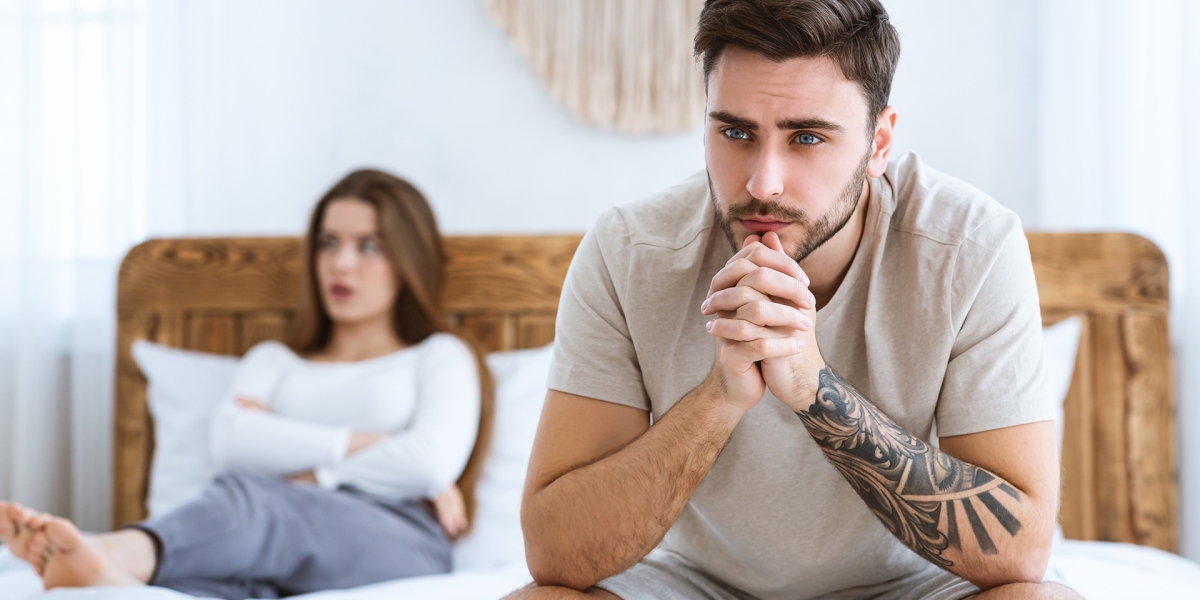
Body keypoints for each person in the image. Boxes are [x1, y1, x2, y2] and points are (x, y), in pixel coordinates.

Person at [513, 1, 1081, 599]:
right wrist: (719, 398)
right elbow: (554, 554)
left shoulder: (969, 248)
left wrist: (814, 388)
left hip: (914, 587)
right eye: (735, 132)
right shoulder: (630, 252)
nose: (763, 182)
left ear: (879, 142)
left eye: (807, 137)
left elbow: (1021, 551)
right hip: (694, 586)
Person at [0, 169, 495, 599]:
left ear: (409, 258)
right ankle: (114, 583)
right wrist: (373, 443)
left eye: (369, 246)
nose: (341, 263)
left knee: (251, 499)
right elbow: (231, 441)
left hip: (400, 537)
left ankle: (116, 551)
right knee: (224, 580)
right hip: (268, 541)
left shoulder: (440, 355)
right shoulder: (273, 360)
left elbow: (428, 463)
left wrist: (304, 472)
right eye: (328, 243)